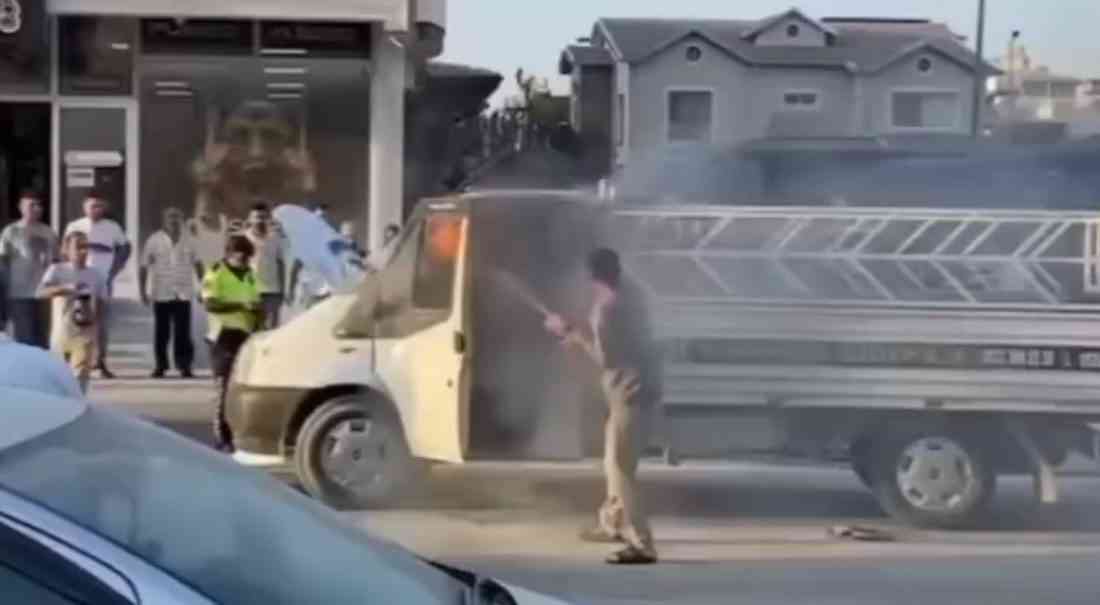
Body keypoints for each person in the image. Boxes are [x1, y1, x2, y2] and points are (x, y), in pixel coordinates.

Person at [544, 248, 661, 565]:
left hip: (629, 396)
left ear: (592, 277)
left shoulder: (606, 310)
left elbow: (605, 359)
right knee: (614, 464)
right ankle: (612, 523)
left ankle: (641, 543)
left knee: (621, 470)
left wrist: (568, 332)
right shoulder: (630, 299)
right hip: (638, 392)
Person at [202, 234, 261, 452]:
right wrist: (241, 306)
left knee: (241, 389)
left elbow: (256, 302)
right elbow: (210, 304)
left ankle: (238, 434)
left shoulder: (250, 275)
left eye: (248, 258)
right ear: (230, 254)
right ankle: (222, 438)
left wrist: (257, 316)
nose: (245, 261)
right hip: (222, 336)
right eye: (241, 257)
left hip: (245, 334)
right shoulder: (216, 272)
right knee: (223, 388)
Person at [64, 191, 130, 379]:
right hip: (78, 281)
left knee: (101, 322)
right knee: (74, 321)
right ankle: (73, 361)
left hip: (102, 280)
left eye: (99, 206)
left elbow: (125, 248)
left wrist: (115, 270)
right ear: (85, 206)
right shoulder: (75, 226)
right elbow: (64, 250)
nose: (96, 209)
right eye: (92, 205)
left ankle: (100, 362)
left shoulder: (112, 227)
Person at [37, 232, 109, 394]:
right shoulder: (57, 270)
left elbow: (102, 305)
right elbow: (40, 292)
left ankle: (78, 408)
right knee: (59, 381)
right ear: (66, 250)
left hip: (85, 334)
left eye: (85, 247)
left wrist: (98, 335)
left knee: (80, 378)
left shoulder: (96, 274)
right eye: (78, 247)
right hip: (61, 334)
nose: (83, 251)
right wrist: (65, 289)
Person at [140, 207, 204, 379]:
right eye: (170, 217)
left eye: (177, 217)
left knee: (183, 332)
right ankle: (161, 366)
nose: (174, 220)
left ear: (181, 220)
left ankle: (184, 366)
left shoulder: (190, 240)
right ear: (164, 220)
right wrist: (142, 292)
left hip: (183, 292)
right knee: (162, 332)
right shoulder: (154, 240)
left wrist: (203, 288)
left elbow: (198, 265)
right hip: (162, 292)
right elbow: (144, 266)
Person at [0, 190, 58, 348]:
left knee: (44, 339)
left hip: (45, 293)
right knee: (24, 338)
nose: (37, 208)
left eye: (39, 205)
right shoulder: (11, 232)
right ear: (21, 207)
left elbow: (55, 263)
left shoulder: (48, 232)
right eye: (32, 205)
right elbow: (3, 263)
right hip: (19, 293)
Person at [243, 203, 285, 330]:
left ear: (268, 218)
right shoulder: (244, 238)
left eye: (263, 217)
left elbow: (281, 264)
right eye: (256, 217)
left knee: (272, 333)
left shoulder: (275, 237)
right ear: (250, 219)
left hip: (272, 291)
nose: (260, 220)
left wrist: (282, 290)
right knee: (254, 331)